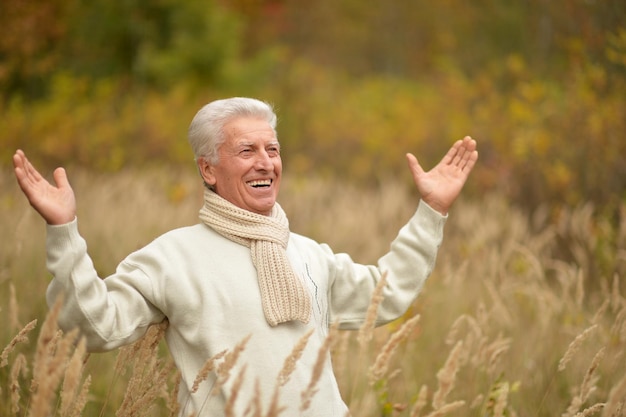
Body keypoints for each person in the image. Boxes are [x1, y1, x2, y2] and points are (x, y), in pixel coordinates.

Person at [13, 97, 478, 416]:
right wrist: (64, 231)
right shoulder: (173, 257)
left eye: (272, 149)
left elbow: (387, 294)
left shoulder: (307, 254)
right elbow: (91, 327)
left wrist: (431, 211)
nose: (266, 162)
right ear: (208, 170)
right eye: (247, 150)